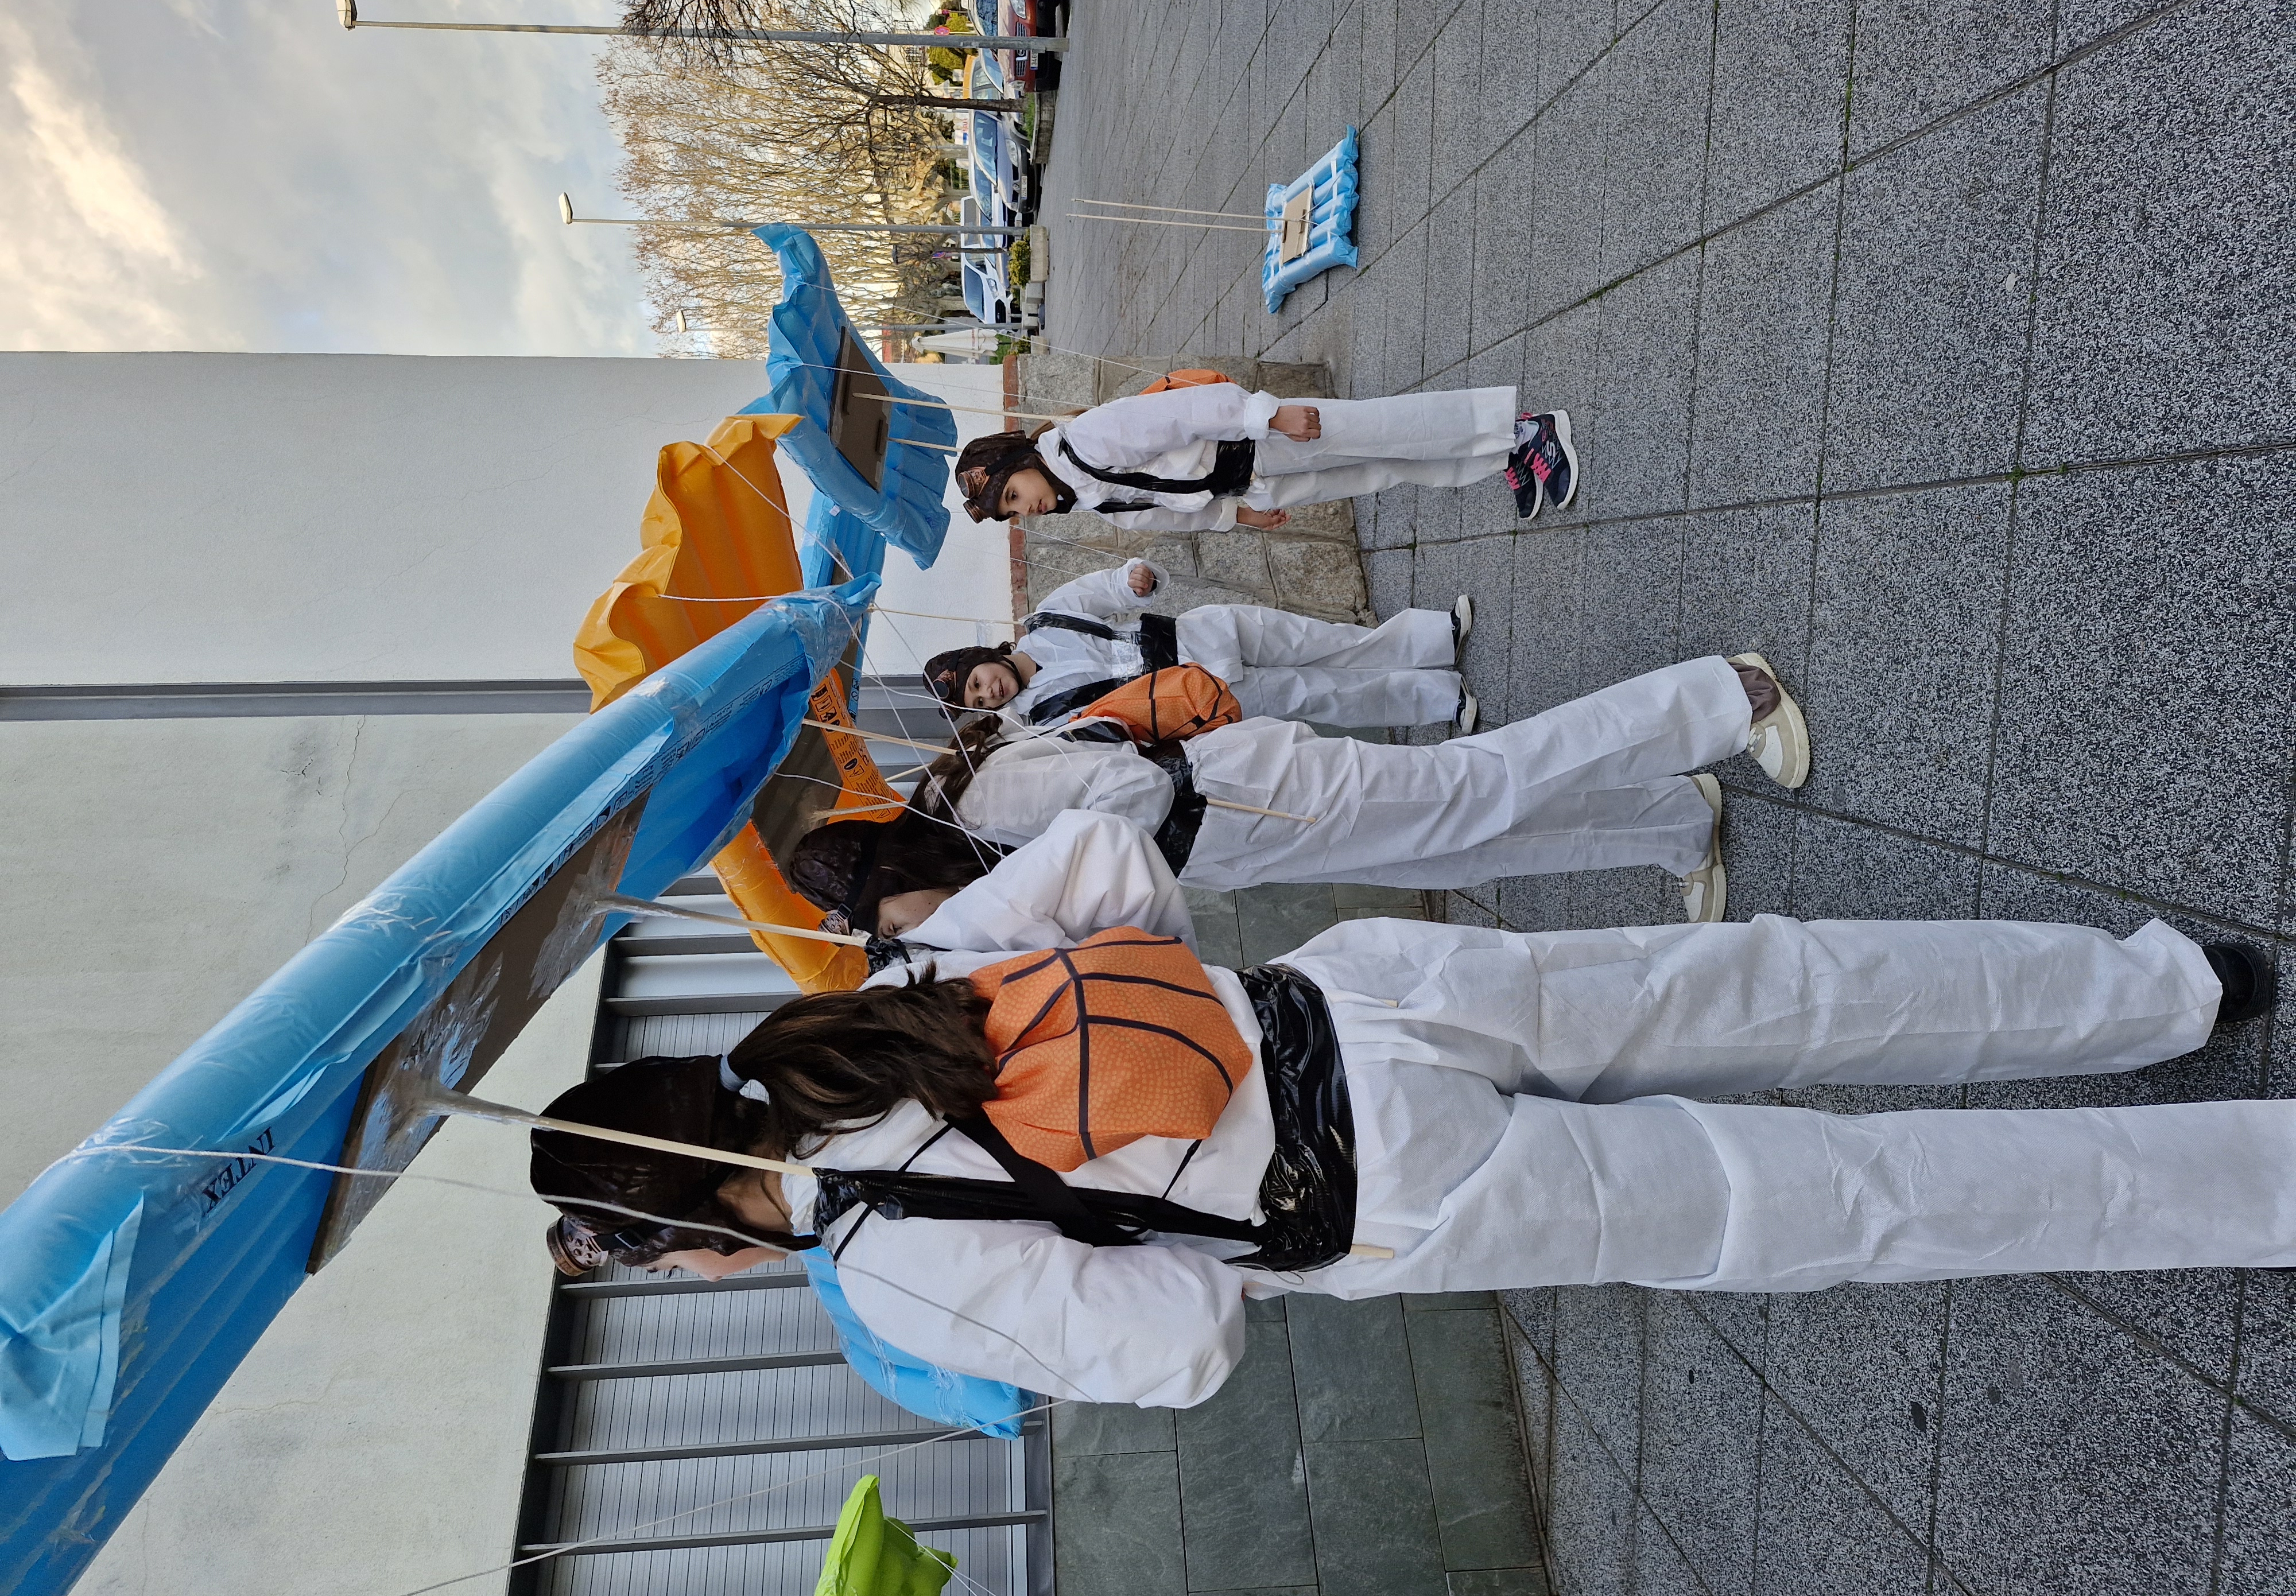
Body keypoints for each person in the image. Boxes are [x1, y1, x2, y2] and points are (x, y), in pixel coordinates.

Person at [532, 811, 2283, 1411]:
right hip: (1356, 993)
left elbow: (1188, 1347)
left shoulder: (898, 1275)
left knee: (1851, 1197)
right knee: (1777, 978)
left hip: (1391, 1189)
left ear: (686, 1231)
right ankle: (2165, 985)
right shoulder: (850, 1015)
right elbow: (1108, 861)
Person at [796, 653, 1810, 926]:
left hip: (1239, 800)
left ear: (889, 866)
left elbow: (1129, 795)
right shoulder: (971, 837)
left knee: (1484, 781)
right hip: (1243, 835)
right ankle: (1675, 824)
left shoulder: (982, 809)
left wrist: (1076, 894)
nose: (896, 927)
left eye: (876, 914)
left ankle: (1727, 695)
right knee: (1467, 848)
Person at [925, 557, 1478, 731]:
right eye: (978, 704)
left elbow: (1100, 590)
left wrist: (1133, 578)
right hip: (1192, 695)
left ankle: (1434, 636)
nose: (989, 692)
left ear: (983, 658)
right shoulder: (1042, 723)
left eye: (977, 681)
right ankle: (1440, 700)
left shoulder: (1045, 619)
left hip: (1194, 633)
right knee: (1321, 697)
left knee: (1320, 640)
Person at [954, 383, 1578, 530]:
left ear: (1017, 461)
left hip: (1258, 439)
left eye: (1012, 494)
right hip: (1250, 483)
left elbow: (1177, 413)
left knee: (1382, 430)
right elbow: (1169, 518)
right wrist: (1236, 517)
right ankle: (1500, 459)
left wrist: (1265, 414)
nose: (1025, 509)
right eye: (1013, 513)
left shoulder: (1081, 442)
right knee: (1380, 471)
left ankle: (1522, 430)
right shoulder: (1088, 496)